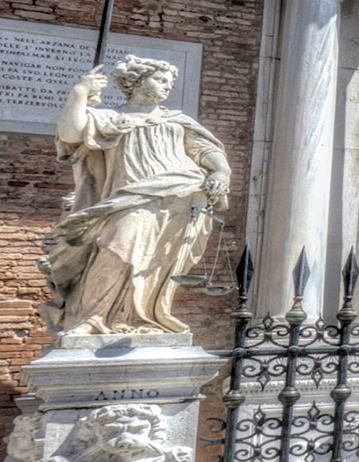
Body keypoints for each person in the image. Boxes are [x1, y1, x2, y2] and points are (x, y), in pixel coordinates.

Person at [42, 55, 230, 334]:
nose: (167, 87)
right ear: (137, 81)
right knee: (115, 248)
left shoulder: (176, 120)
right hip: (129, 197)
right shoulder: (110, 118)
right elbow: (71, 134)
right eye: (160, 80)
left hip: (182, 193)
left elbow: (207, 150)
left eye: (169, 82)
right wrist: (81, 92)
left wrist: (221, 172)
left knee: (156, 263)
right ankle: (94, 318)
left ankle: (143, 318)